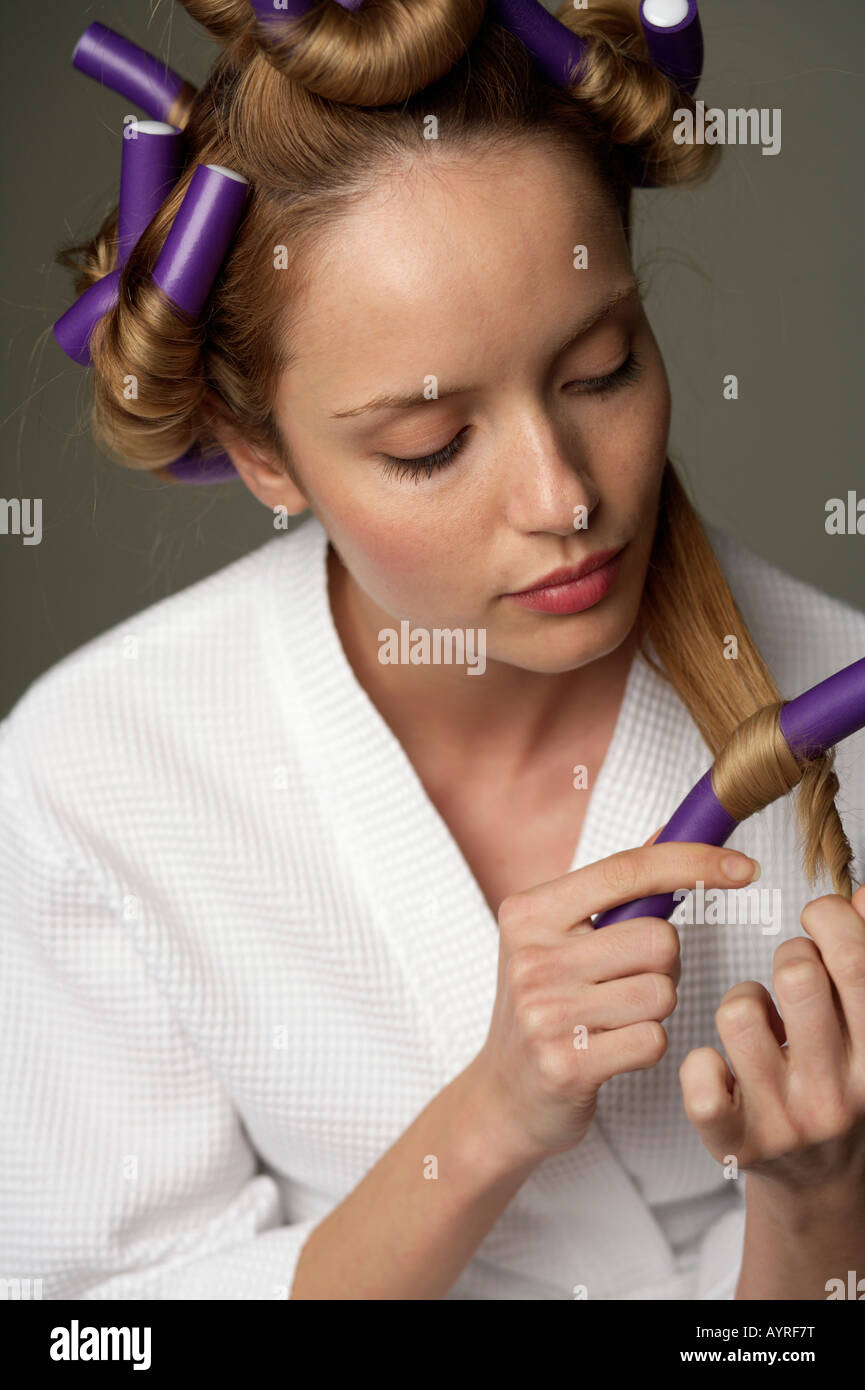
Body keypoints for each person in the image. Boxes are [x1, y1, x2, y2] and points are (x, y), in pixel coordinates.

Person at [1, 0, 863, 1301]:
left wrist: (817, 1206)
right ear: (260, 456)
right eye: (429, 445)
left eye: (599, 369)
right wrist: (484, 1121)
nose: (562, 496)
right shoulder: (90, 778)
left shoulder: (840, 706)